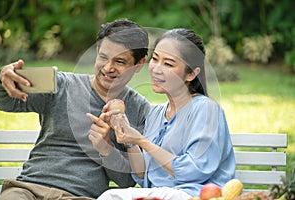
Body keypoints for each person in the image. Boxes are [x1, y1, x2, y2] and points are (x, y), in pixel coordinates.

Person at [0, 19, 151, 199]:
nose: (108, 68)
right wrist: (1, 79)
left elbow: (127, 181)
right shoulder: (61, 85)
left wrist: (106, 148)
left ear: (139, 64)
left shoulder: (139, 110)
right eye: (103, 57)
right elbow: (6, 102)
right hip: (28, 189)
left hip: (77, 196)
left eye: (120, 61)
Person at [95, 28, 236, 200]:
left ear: (191, 74)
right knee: (110, 196)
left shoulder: (206, 110)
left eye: (168, 64)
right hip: (158, 194)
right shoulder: (156, 113)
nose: (156, 69)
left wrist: (141, 141)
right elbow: (143, 176)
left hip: (194, 195)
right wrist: (130, 140)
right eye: (155, 59)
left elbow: (195, 171)